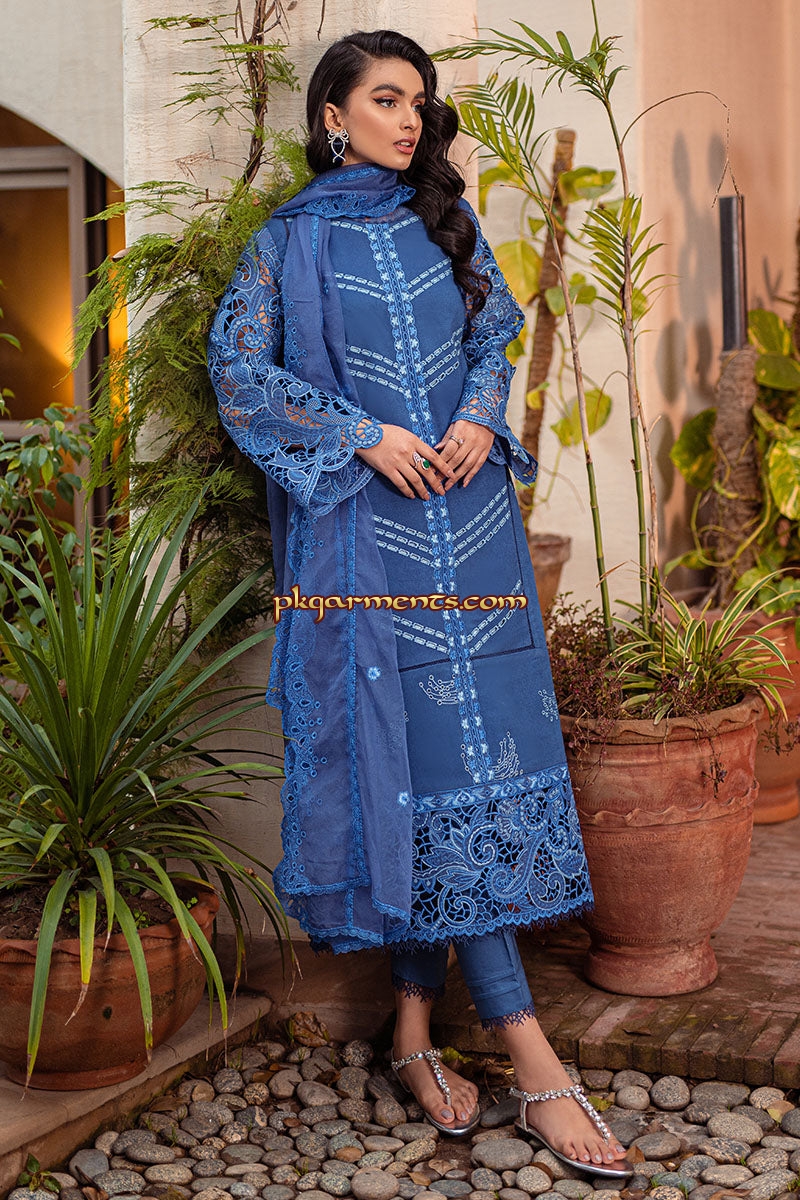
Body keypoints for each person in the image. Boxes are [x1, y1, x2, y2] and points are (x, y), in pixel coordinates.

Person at [207, 29, 632, 1177]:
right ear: (332, 115)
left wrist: (479, 414)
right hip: (371, 545)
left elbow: (494, 330)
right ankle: (532, 1060)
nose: (409, 120)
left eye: (418, 102)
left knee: (475, 775)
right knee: (423, 774)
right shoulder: (285, 243)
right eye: (386, 100)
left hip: (476, 528)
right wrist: (362, 432)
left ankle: (408, 1028)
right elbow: (240, 373)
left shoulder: (441, 218)